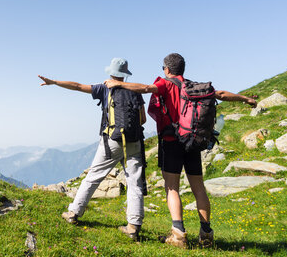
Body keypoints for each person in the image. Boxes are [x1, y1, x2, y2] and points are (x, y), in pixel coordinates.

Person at [105, 53, 257, 248]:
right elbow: (221, 95)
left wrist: (118, 84)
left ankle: (178, 235)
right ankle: (206, 234)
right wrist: (246, 99)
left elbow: (144, 88)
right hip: (193, 141)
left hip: (171, 141)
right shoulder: (193, 87)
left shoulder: (165, 83)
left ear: (167, 69)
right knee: (198, 187)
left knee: (172, 187)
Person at [39, 57, 147, 241]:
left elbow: (78, 86)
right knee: (134, 183)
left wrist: (55, 82)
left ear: (111, 72)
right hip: (134, 142)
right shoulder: (135, 90)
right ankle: (133, 227)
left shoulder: (104, 88)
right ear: (125, 74)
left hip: (111, 141)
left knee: (93, 177)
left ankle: (73, 213)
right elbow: (142, 119)